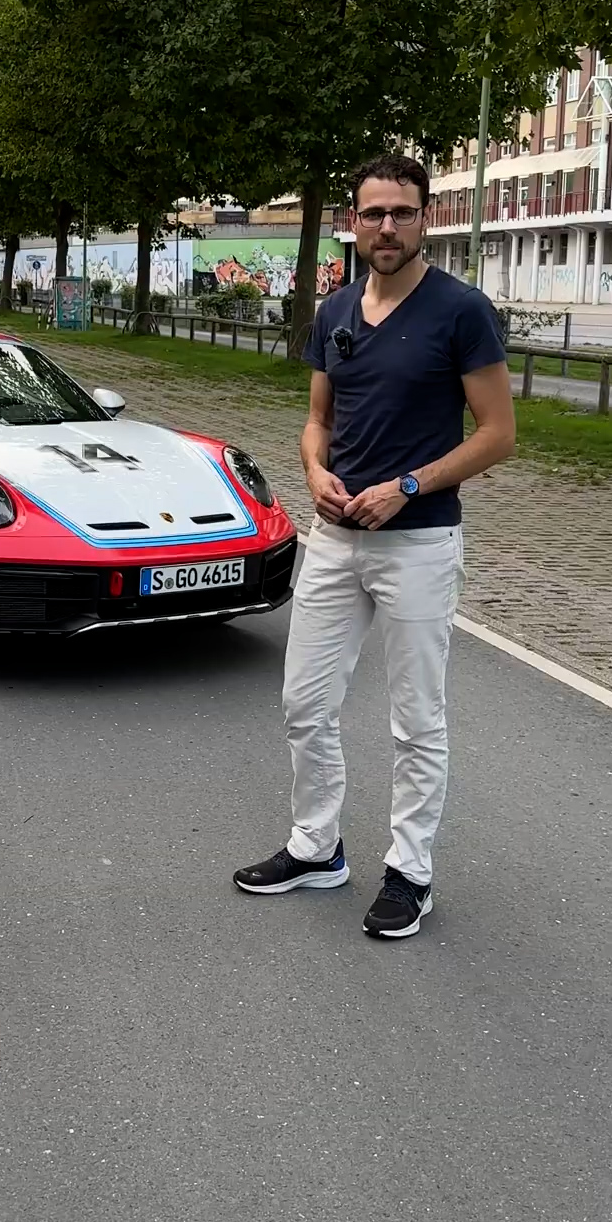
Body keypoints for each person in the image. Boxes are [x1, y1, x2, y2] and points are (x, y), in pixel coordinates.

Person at [234, 154, 515, 938]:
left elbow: (498, 434)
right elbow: (319, 418)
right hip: (334, 538)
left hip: (418, 543)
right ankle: (317, 847)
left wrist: (410, 486)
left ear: (427, 219)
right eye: (372, 214)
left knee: (415, 718)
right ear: (350, 224)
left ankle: (410, 873)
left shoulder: (461, 311)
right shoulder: (336, 312)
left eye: (402, 213)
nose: (386, 227)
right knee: (303, 705)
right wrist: (315, 470)